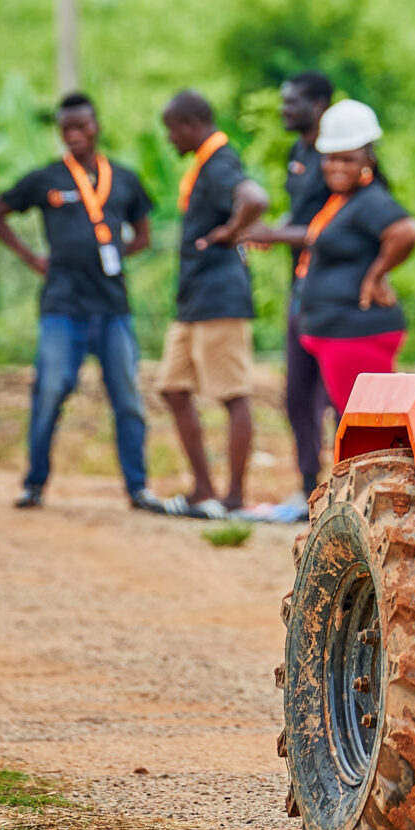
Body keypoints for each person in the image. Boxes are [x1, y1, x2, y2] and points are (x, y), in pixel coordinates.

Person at [0, 91, 158, 511]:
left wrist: (112, 257)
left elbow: (144, 235)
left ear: (96, 127)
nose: (74, 135)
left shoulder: (125, 179)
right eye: (66, 129)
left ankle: (138, 489)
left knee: (127, 398)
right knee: (50, 391)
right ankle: (34, 484)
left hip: (113, 307)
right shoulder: (46, 178)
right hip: (62, 305)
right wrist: (30, 257)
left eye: (81, 126)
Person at [153, 90, 269, 516]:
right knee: (172, 387)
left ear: (190, 125)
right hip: (194, 299)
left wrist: (231, 232)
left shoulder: (220, 163)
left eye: (172, 130)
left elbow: (255, 199)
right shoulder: (205, 163)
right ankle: (203, 489)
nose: (169, 139)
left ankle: (233, 497)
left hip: (221, 299)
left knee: (233, 395)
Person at [238, 71, 338, 495]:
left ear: (318, 106)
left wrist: (276, 235)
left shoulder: (339, 157)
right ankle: (309, 488)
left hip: (337, 293)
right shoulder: (297, 152)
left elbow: (336, 225)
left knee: (337, 395)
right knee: (297, 393)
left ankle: (347, 486)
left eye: (291, 103)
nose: (284, 110)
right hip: (301, 289)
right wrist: (276, 230)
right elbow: (302, 215)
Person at [292, 99, 415, 417]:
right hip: (334, 331)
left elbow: (407, 231)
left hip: (356, 332)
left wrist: (376, 275)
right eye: (330, 158)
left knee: (368, 422)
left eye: (347, 159)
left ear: (367, 159)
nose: (336, 167)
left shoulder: (371, 200)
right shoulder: (341, 200)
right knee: (353, 420)